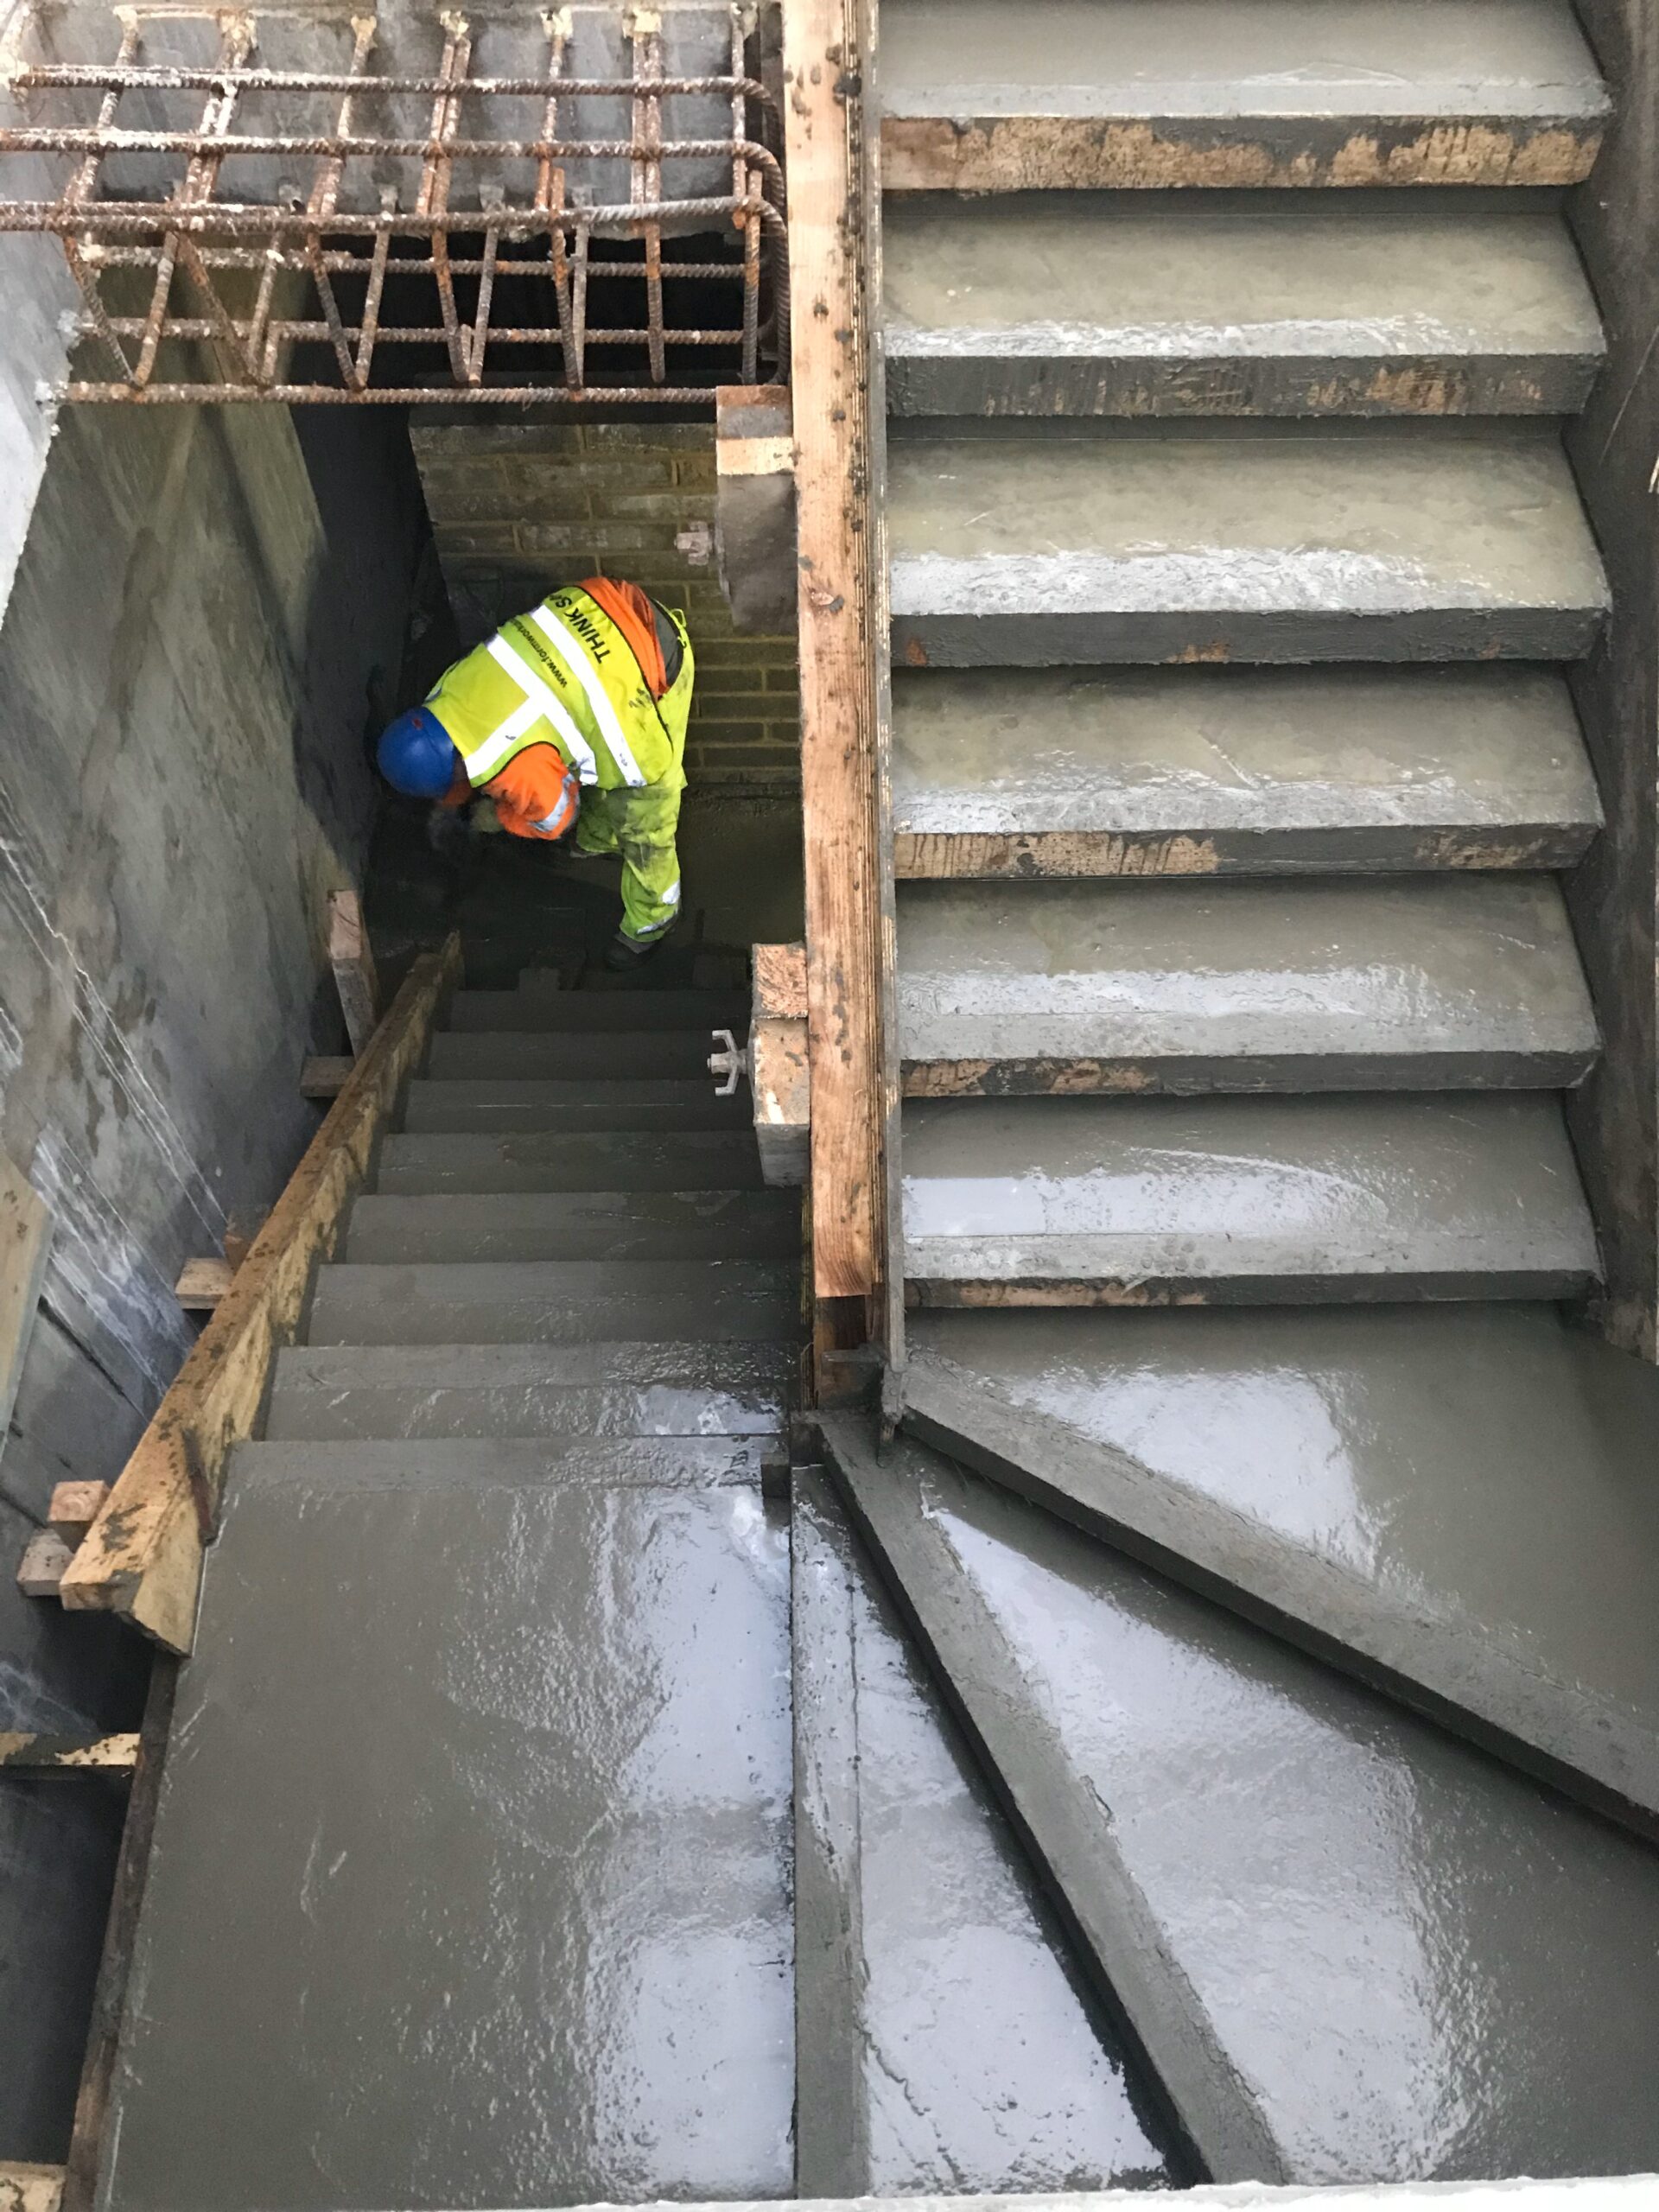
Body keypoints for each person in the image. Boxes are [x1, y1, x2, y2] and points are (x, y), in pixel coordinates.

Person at [377, 575, 693, 970]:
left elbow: (557, 817)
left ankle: (653, 919)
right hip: (605, 610)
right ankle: (599, 839)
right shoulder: (449, 689)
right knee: (589, 758)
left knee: (644, 823)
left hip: (654, 665)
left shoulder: (516, 768)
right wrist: (452, 803)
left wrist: (500, 816)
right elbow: (461, 761)